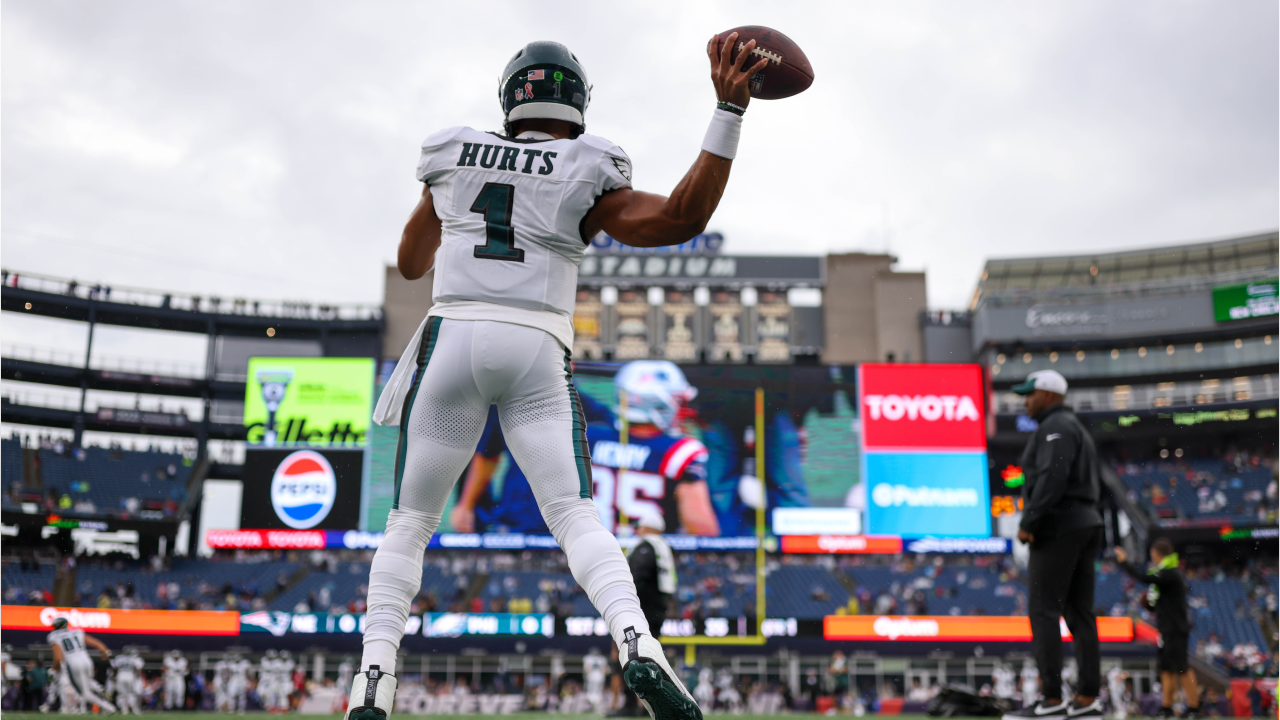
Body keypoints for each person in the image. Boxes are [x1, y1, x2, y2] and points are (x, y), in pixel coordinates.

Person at [349, 31, 769, 720]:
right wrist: (728, 110)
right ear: (577, 104)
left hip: (452, 338)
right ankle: (638, 642)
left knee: (410, 522)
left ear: (509, 99)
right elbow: (679, 217)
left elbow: (411, 262)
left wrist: (449, 200)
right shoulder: (587, 164)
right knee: (574, 514)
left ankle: (373, 678)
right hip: (536, 343)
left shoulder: (453, 153)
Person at [1004, 370, 1103, 720]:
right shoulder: (1073, 427)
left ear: (1047, 394)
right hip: (1085, 523)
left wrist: (1029, 522)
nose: (1025, 400)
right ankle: (1088, 696)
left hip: (1059, 526)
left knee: (1043, 611)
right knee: (1079, 614)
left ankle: (1050, 699)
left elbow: (1053, 475)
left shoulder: (1056, 426)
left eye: (1030, 394)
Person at [588, 361, 719, 536]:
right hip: (644, 557)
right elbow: (703, 532)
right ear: (657, 403)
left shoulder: (587, 439)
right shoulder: (678, 452)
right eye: (678, 400)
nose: (683, 408)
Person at [1115, 539, 1199, 718]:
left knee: (1182, 668)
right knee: (1167, 669)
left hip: (1175, 629)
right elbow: (1164, 603)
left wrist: (1124, 562)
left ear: (1155, 553)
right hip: (1167, 628)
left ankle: (1194, 708)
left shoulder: (1170, 573)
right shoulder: (1168, 575)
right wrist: (1151, 606)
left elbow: (1144, 578)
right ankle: (1166, 708)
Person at [47, 616, 116, 713]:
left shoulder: (54, 637)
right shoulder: (77, 631)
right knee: (87, 682)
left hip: (73, 664)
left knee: (84, 693)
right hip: (87, 660)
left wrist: (54, 670)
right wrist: (106, 652)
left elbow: (58, 658)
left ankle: (108, 707)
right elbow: (96, 643)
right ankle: (99, 688)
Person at [110, 649, 144, 714]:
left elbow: (114, 668)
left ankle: (124, 710)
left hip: (121, 676)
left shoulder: (119, 658)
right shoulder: (133, 659)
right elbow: (137, 669)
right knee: (132, 693)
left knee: (122, 694)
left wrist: (114, 677)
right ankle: (135, 709)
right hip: (130, 676)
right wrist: (137, 678)